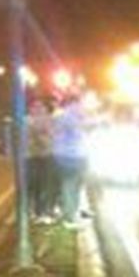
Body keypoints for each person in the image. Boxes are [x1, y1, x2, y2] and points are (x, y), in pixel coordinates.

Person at [51, 95, 89, 227]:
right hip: (68, 157)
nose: (81, 107)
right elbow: (76, 134)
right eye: (79, 104)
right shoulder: (67, 118)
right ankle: (69, 216)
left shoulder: (70, 117)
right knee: (69, 185)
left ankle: (71, 213)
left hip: (75, 156)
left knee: (74, 186)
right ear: (72, 104)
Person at [26, 98, 56, 223]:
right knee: (37, 185)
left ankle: (38, 211)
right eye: (35, 107)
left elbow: (52, 135)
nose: (38, 109)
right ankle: (37, 212)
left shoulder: (46, 120)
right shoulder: (29, 121)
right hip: (36, 156)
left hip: (41, 156)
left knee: (39, 185)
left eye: (40, 107)